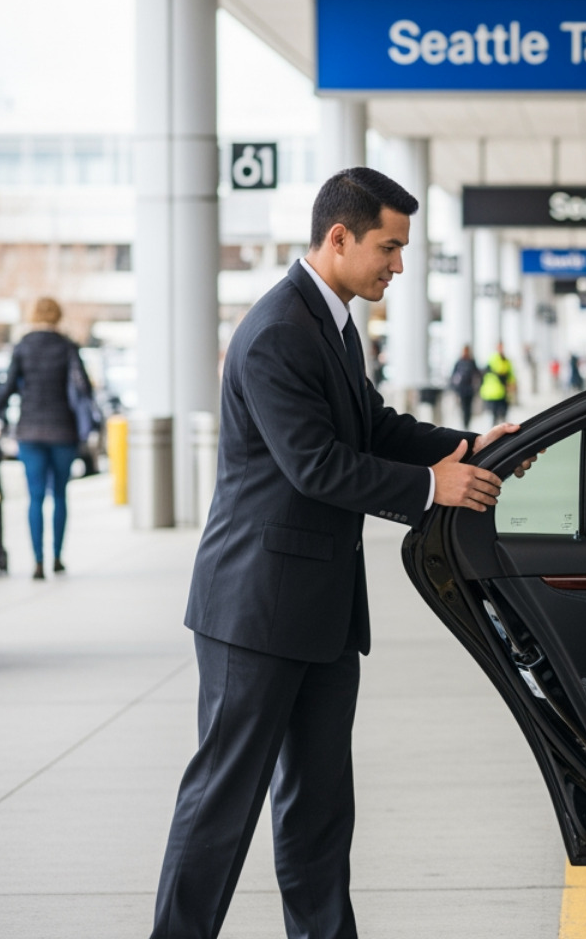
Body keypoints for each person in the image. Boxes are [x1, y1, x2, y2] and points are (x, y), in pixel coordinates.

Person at [149, 167, 525, 939]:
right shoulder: (280, 331)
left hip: (317, 611)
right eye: (389, 247)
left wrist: (468, 447)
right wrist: (431, 488)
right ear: (339, 237)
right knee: (224, 802)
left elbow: (372, 426)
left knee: (320, 807)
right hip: (254, 611)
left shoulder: (334, 324)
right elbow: (316, 464)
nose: (397, 264)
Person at [0, 297, 94, 580]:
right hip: (63, 431)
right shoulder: (68, 347)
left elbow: (6, 390)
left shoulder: (23, 347)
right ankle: (57, 558)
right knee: (59, 495)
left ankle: (37, 562)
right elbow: (83, 388)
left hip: (30, 432)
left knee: (35, 497)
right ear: (58, 316)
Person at [480, 342, 516, 425]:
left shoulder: (506, 360)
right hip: (493, 392)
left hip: (503, 391)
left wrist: (512, 384)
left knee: (503, 413)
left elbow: (510, 373)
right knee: (494, 414)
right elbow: (499, 371)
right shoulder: (493, 359)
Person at [450, 345, 480, 429]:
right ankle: (464, 424)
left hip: (470, 389)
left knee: (469, 408)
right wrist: (454, 387)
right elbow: (453, 375)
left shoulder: (471, 362)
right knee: (463, 407)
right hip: (461, 389)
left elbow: (477, 373)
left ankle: (467, 423)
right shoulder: (459, 362)